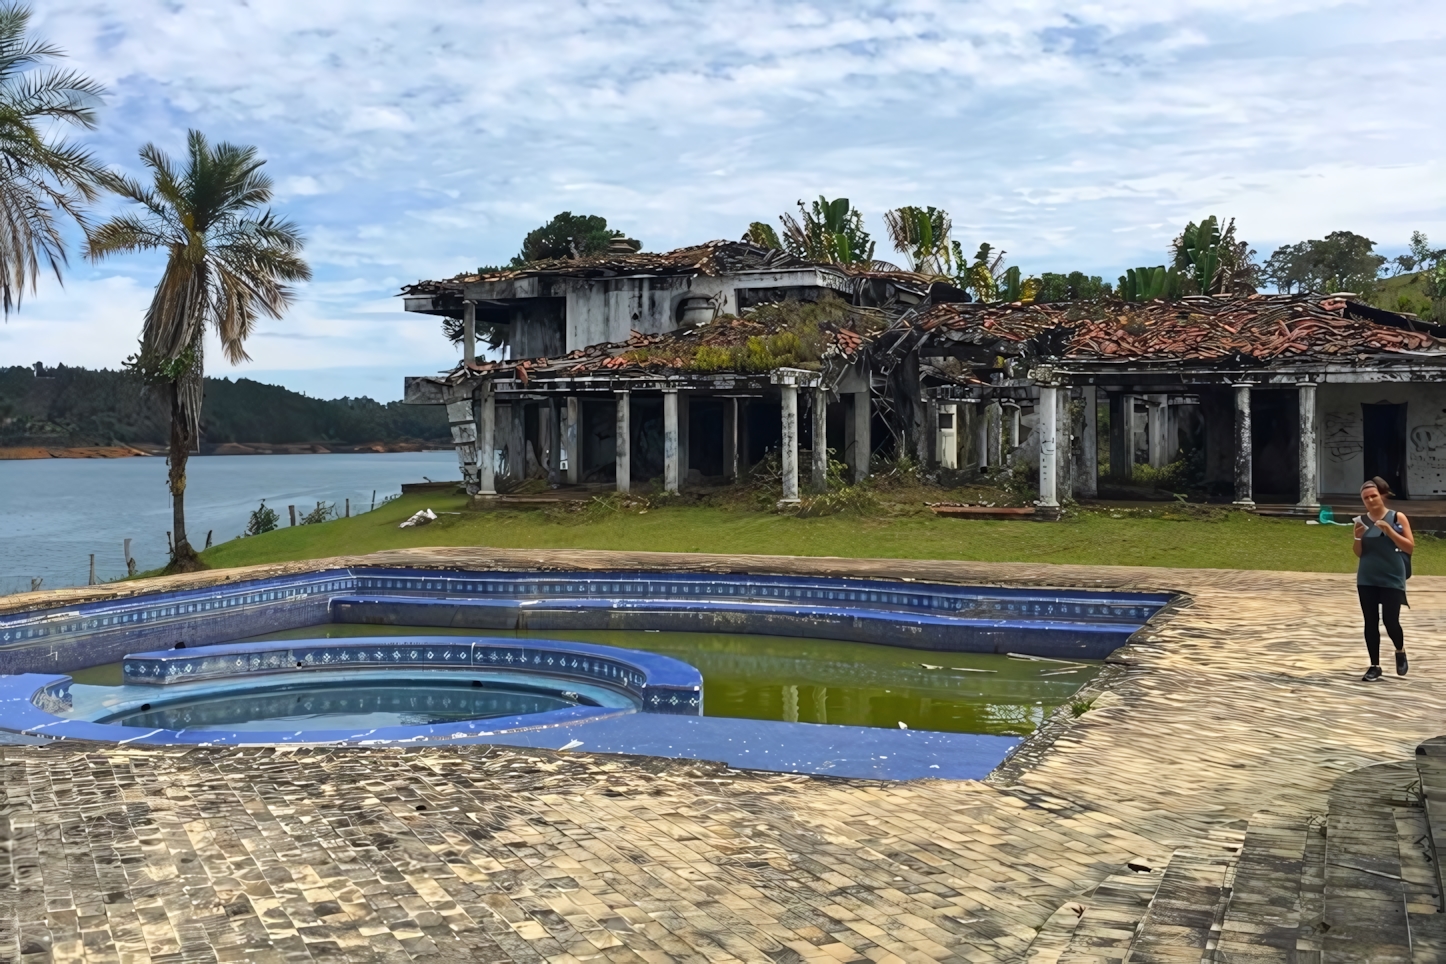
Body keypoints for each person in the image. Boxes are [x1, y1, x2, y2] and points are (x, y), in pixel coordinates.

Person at [1353, 476, 1414, 681]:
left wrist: (1389, 531)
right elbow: (1359, 553)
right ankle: (1374, 665)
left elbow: (1409, 547)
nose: (1370, 501)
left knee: (1390, 620)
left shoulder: (1397, 517)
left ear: (1382, 496)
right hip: (1367, 576)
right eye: (1366, 498)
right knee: (1370, 621)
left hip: (1392, 576)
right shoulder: (1361, 521)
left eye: (1373, 496)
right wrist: (1357, 537)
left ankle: (1400, 650)